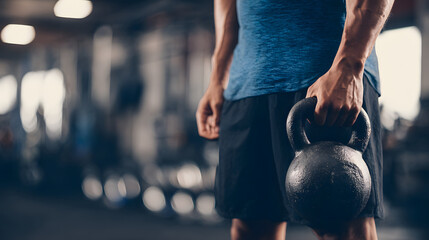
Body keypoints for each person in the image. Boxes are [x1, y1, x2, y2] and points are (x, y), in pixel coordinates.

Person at [196, 0, 394, 239]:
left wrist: (349, 65)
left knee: (342, 228)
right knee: (250, 225)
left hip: (325, 77)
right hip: (247, 82)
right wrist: (218, 76)